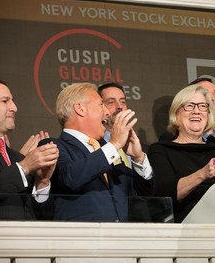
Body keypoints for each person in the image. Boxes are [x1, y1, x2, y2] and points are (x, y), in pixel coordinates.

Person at [39, 82, 154, 222]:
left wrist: (138, 158)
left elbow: (142, 195)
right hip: (83, 239)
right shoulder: (53, 146)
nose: (107, 112)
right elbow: (69, 178)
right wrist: (115, 143)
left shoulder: (106, 150)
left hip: (120, 239)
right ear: (80, 109)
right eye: (101, 105)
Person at [148, 84, 215, 222]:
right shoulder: (161, 150)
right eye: (189, 106)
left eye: (202, 106)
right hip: (183, 231)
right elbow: (165, 195)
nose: (197, 111)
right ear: (176, 113)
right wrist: (203, 173)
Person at [0, 79, 59, 220]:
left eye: (12, 101)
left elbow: (39, 216)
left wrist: (42, 182)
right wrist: (25, 167)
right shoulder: (23, 163)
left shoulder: (16, 158)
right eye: (5, 101)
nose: (14, 107)